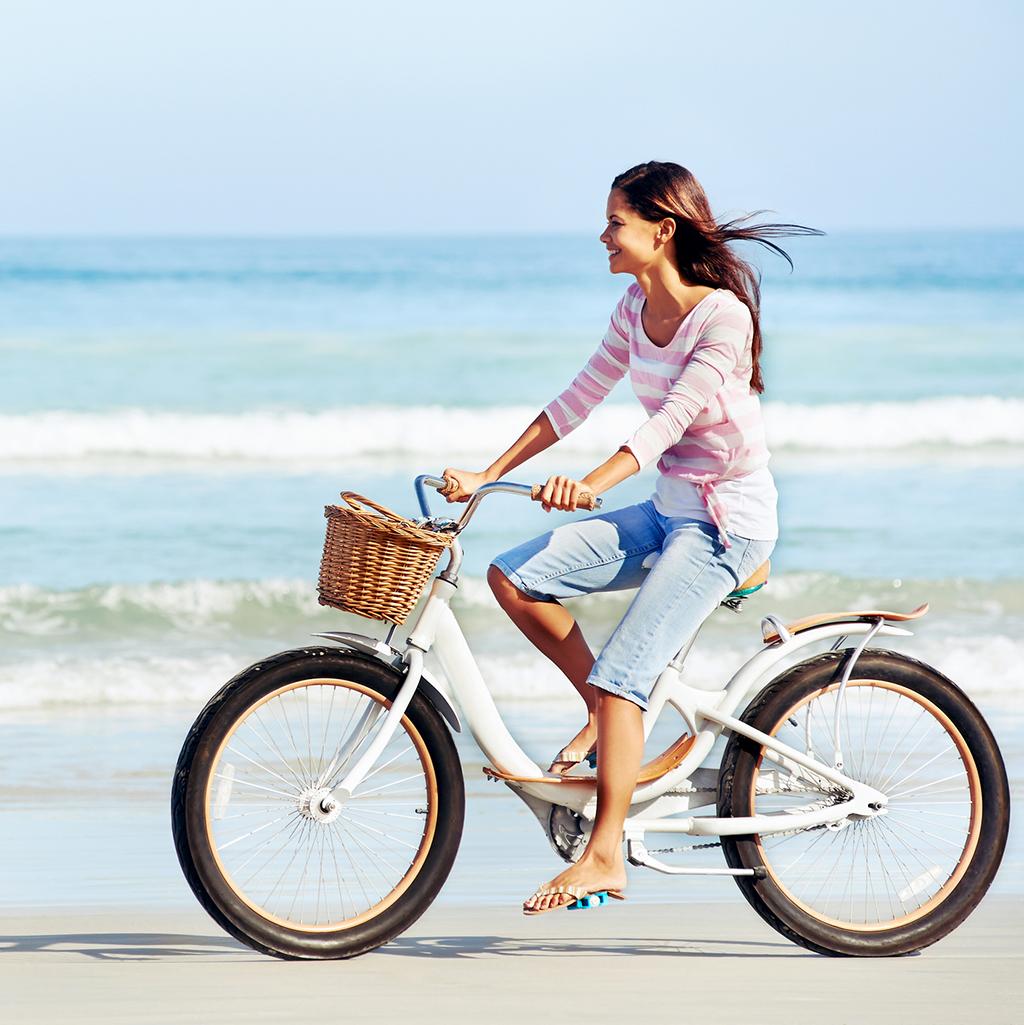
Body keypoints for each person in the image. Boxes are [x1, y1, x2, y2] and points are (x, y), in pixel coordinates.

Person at [440, 161, 822, 915]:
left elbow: (670, 419)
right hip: (668, 508)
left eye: (616, 222)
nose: (604, 235)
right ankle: (608, 713)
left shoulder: (721, 318)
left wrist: (593, 483)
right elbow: (577, 397)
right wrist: (488, 474)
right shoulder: (631, 306)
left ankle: (606, 851)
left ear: (662, 229)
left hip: (725, 523)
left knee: (625, 676)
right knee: (515, 578)